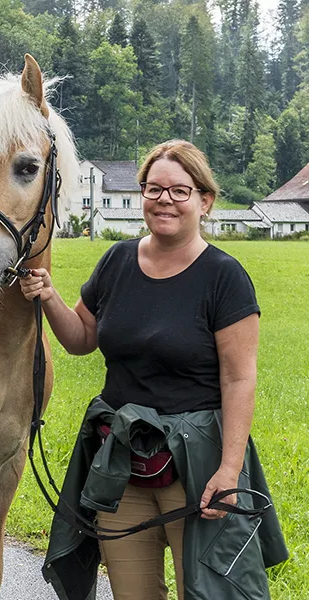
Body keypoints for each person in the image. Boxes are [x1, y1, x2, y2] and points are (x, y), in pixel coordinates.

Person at [26, 140, 288, 600]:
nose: (164, 199)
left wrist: (229, 471)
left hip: (198, 468)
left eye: (180, 191)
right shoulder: (117, 261)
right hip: (122, 464)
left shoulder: (225, 277)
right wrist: (49, 296)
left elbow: (239, 378)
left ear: (205, 201)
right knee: (132, 594)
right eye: (153, 188)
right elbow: (81, 338)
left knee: (208, 592)